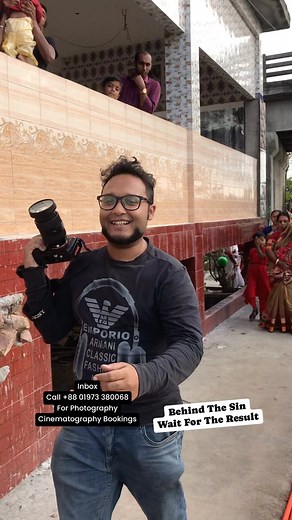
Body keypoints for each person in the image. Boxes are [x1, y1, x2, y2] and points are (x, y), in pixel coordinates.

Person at [17, 156, 203, 520]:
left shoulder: (169, 274)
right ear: (101, 206)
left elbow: (190, 345)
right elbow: (53, 330)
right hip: (85, 417)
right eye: (110, 200)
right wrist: (33, 270)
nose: (120, 209)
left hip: (150, 424)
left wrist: (141, 376)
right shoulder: (85, 265)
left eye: (132, 201)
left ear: (150, 210)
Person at [259, 223, 292, 333]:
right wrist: (279, 263)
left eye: (285, 221)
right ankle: (281, 324)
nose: (283, 224)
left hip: (285, 274)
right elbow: (270, 253)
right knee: (284, 301)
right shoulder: (280, 240)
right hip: (284, 275)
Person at [21, 1, 58, 69]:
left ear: (43, 26)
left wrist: (34, 21)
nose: (38, 14)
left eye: (42, 15)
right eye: (36, 12)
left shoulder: (48, 40)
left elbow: (50, 58)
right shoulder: (19, 35)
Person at [243, 232, 270, 321]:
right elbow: (250, 263)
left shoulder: (267, 250)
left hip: (262, 272)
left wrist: (258, 246)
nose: (261, 242)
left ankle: (263, 313)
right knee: (251, 291)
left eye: (262, 240)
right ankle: (254, 308)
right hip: (253, 272)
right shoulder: (252, 251)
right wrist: (247, 274)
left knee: (263, 293)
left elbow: (262, 256)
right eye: (258, 240)